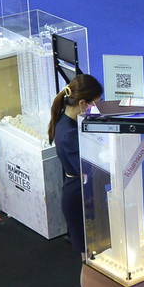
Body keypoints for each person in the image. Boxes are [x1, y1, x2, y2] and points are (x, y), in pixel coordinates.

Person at [49, 74, 103, 258]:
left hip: (79, 191)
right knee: (89, 258)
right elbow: (86, 168)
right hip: (80, 197)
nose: (97, 108)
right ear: (82, 103)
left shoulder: (65, 122)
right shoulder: (69, 133)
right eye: (95, 103)